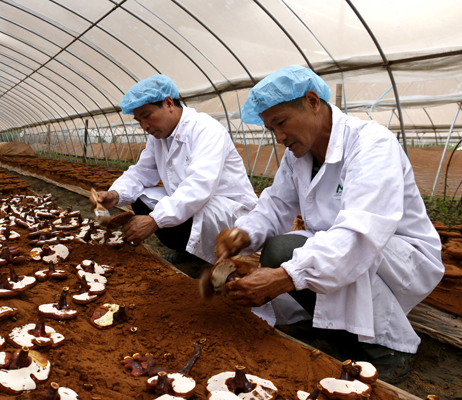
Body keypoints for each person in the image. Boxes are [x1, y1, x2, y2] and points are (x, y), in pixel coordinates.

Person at [215, 65, 444, 383]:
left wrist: (286, 276)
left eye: (281, 122)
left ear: (312, 102)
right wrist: (244, 234)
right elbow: (275, 204)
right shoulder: (297, 157)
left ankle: (387, 347)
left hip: (396, 254)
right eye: (271, 129)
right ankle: (332, 327)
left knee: (310, 255)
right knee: (284, 249)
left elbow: (360, 234)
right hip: (340, 242)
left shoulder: (371, 144)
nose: (279, 138)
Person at [92, 74, 257, 268]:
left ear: (169, 103)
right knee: (140, 197)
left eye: (147, 116)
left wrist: (155, 220)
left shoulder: (206, 130)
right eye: (139, 120)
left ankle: (208, 258)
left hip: (226, 210)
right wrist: (115, 194)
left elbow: (199, 186)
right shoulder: (158, 137)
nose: (144, 126)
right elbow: (142, 172)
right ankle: (186, 252)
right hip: (196, 202)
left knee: (172, 212)